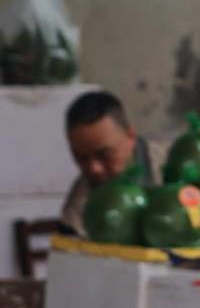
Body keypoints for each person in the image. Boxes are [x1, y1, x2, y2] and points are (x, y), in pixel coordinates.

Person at [61, 90, 154, 237]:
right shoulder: (76, 212)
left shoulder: (176, 166)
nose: (95, 169)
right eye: (81, 158)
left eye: (105, 155)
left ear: (130, 136)